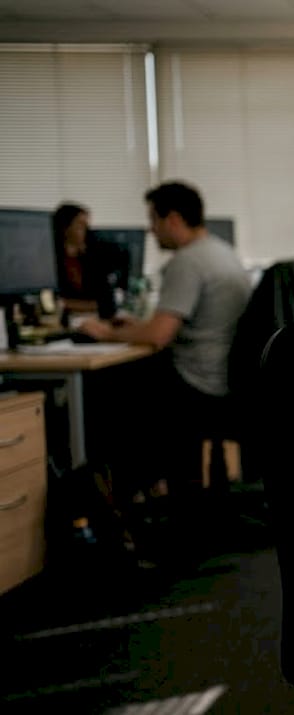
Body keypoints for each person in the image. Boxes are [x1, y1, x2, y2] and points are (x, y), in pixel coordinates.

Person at [78, 182, 251, 498]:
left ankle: (119, 496)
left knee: (104, 388)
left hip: (197, 382)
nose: (151, 231)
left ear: (172, 219)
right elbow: (174, 325)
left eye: (154, 221)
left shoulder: (188, 261)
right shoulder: (222, 251)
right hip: (224, 377)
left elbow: (158, 336)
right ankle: (149, 489)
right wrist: (137, 326)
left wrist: (107, 332)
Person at [51, 202, 106, 315]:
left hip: (89, 319)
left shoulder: (90, 258)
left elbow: (103, 301)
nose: (86, 230)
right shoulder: (51, 259)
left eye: (87, 225)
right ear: (65, 228)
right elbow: (51, 303)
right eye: (81, 225)